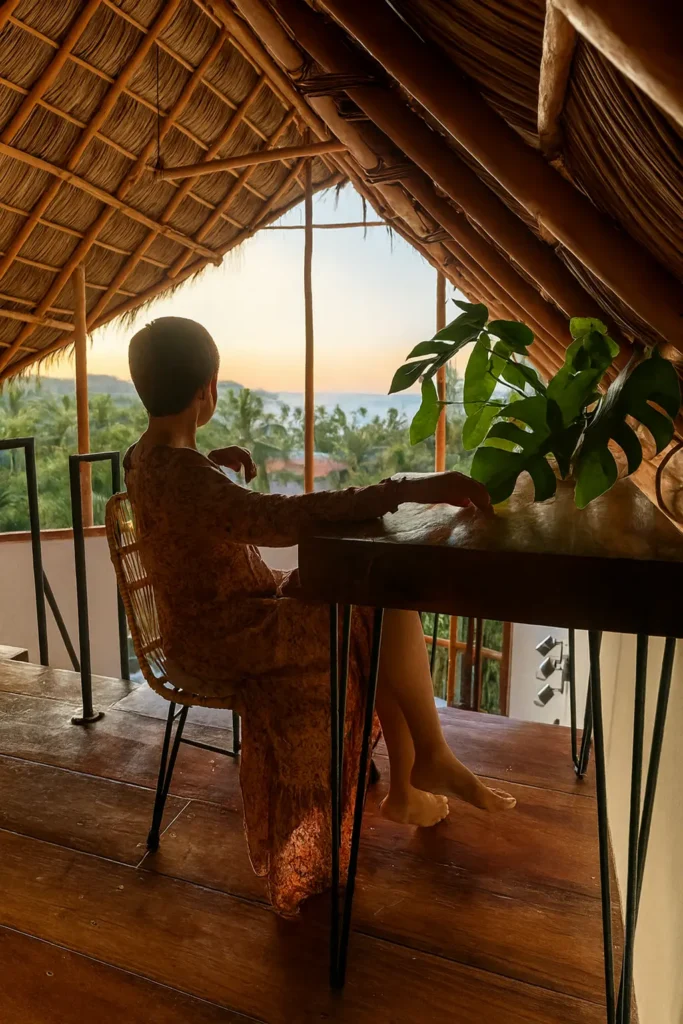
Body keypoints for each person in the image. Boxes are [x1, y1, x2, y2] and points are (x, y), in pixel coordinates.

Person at [123, 317, 515, 916]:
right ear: (209, 388)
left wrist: (216, 460)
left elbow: (187, 486)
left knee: (372, 590)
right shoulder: (184, 477)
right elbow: (281, 517)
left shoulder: (147, 457)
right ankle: (419, 770)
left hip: (217, 612)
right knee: (373, 595)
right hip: (225, 632)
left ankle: (417, 773)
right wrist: (403, 488)